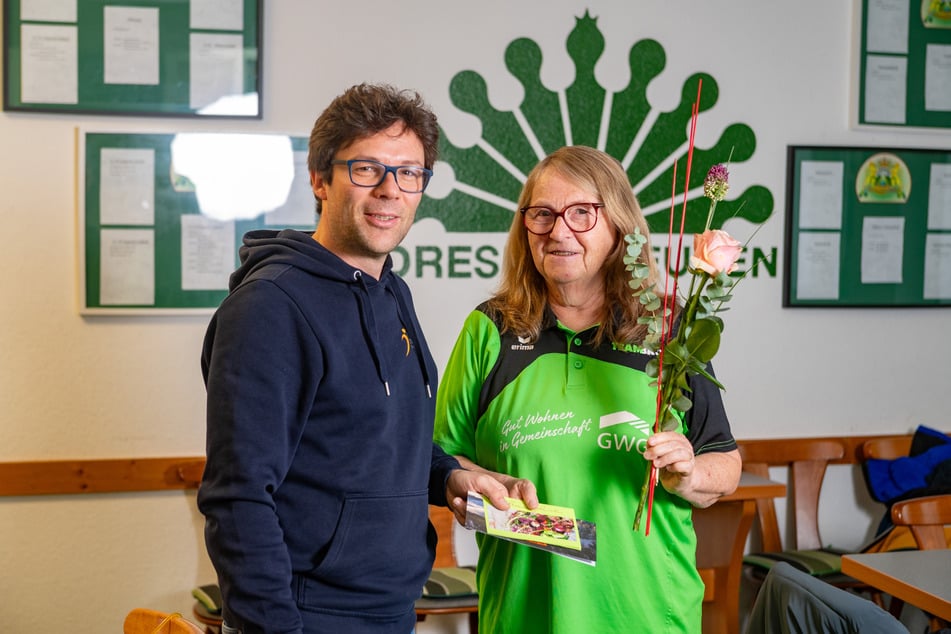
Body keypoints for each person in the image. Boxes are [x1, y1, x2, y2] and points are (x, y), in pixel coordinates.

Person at [198, 83, 509, 634]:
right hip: (307, 617)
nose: (390, 190)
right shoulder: (271, 307)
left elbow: (380, 441)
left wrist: (453, 477)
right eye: (367, 169)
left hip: (390, 611)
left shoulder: (391, 292)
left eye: (409, 173)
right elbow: (238, 496)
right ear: (320, 179)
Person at [434, 145, 742, 633]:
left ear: (617, 225)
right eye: (543, 215)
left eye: (582, 213)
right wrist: (478, 488)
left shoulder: (669, 331)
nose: (559, 231)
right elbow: (442, 460)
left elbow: (725, 465)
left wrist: (688, 475)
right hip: (523, 616)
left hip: (648, 616)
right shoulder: (489, 330)